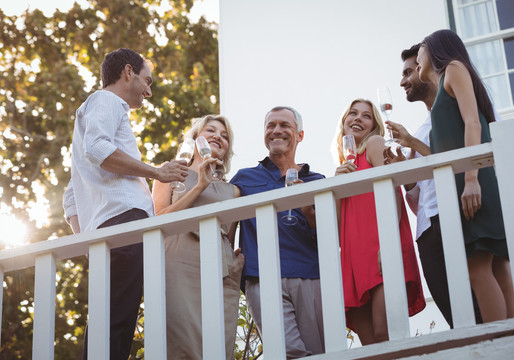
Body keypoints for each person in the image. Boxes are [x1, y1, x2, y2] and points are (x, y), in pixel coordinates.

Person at [62, 48, 188, 360]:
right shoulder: (107, 101)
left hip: (109, 233)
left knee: (113, 321)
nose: (149, 90)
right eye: (148, 80)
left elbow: (70, 197)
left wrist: (90, 241)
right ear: (128, 72)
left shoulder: (92, 115)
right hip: (125, 224)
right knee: (116, 323)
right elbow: (98, 148)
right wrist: (156, 172)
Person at [414, 29, 514, 322]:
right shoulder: (443, 96)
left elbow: (473, 123)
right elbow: (444, 152)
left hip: (473, 183)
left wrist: (471, 179)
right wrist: (410, 144)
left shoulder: (454, 69)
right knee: (496, 267)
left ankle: (501, 339)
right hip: (470, 181)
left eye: (421, 47)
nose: (417, 54)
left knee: (477, 270)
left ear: (433, 49)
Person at [230, 106, 325, 359]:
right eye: (270, 126)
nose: (277, 131)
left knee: (321, 353)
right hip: (262, 277)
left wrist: (307, 209)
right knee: (287, 353)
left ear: (300, 135)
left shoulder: (318, 181)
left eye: (284, 125)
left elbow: (330, 236)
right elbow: (223, 225)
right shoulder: (244, 178)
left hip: (311, 275)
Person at [152, 115, 244, 360]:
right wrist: (199, 186)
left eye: (225, 136)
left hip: (220, 269)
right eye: (211, 130)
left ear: (226, 151)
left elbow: (230, 234)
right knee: (180, 340)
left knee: (217, 347)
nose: (218, 137)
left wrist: (235, 265)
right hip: (178, 260)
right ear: (194, 139)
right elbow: (158, 218)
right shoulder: (169, 171)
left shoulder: (233, 191)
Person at [334, 98, 425, 345]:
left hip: (380, 250)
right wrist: (336, 184)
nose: (358, 119)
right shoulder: (345, 166)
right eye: (353, 113)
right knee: (370, 343)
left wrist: (387, 245)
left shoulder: (374, 144)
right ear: (344, 122)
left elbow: (392, 193)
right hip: (354, 259)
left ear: (374, 126)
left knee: (387, 333)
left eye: (366, 116)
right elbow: (339, 224)